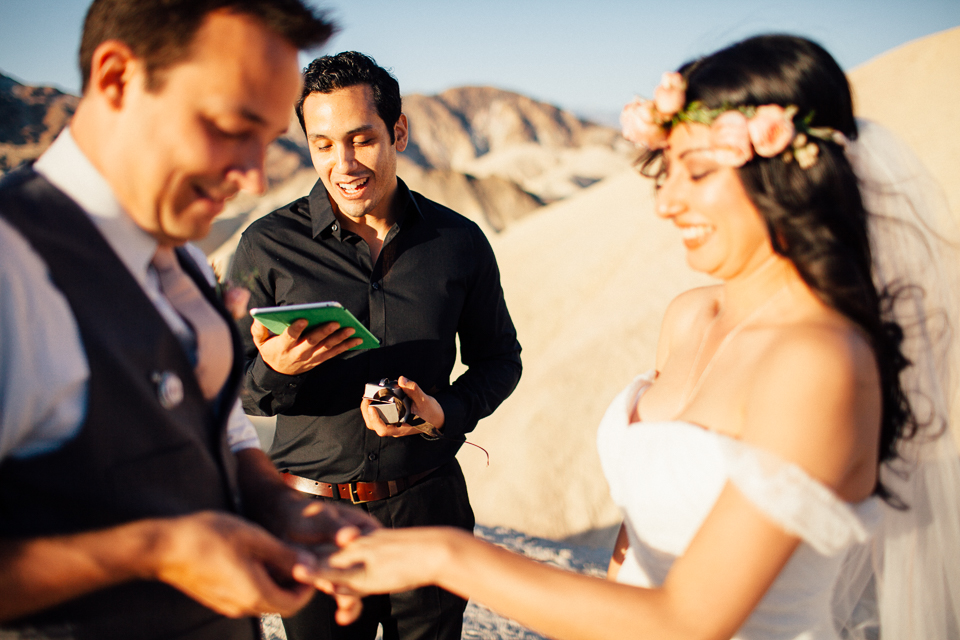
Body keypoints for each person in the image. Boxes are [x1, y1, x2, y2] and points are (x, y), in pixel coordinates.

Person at [310, 35, 960, 640]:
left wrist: (440, 552)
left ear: (789, 173)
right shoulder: (689, 316)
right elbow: (637, 542)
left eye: (698, 172)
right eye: (666, 170)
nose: (666, 202)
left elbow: (686, 621)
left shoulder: (822, 362)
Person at [0, 2, 379, 639]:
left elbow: (224, 437)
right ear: (118, 77)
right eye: (233, 127)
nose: (255, 176)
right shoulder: (12, 263)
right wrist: (155, 553)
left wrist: (281, 506)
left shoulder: (187, 265)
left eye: (267, 143)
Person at [229, 51, 522, 640]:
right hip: (313, 521)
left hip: (429, 510)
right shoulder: (266, 247)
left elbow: (500, 359)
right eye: (323, 144)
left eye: (361, 139)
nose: (343, 164)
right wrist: (274, 370)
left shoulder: (458, 242)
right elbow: (230, 389)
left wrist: (445, 413)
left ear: (400, 131)